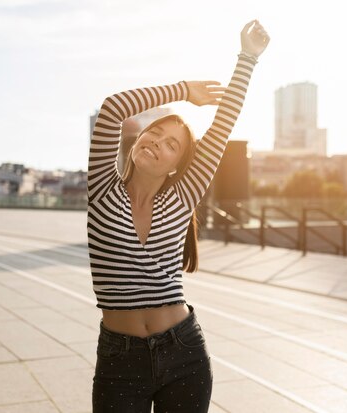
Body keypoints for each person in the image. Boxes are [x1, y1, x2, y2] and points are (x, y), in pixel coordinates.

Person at [87, 19, 270, 412]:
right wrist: (185, 91)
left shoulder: (182, 199)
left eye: (172, 144)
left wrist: (248, 57)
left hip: (184, 351)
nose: (157, 142)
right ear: (138, 140)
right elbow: (113, 108)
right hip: (120, 359)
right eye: (154, 132)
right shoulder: (103, 190)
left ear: (176, 165)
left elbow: (222, 127)